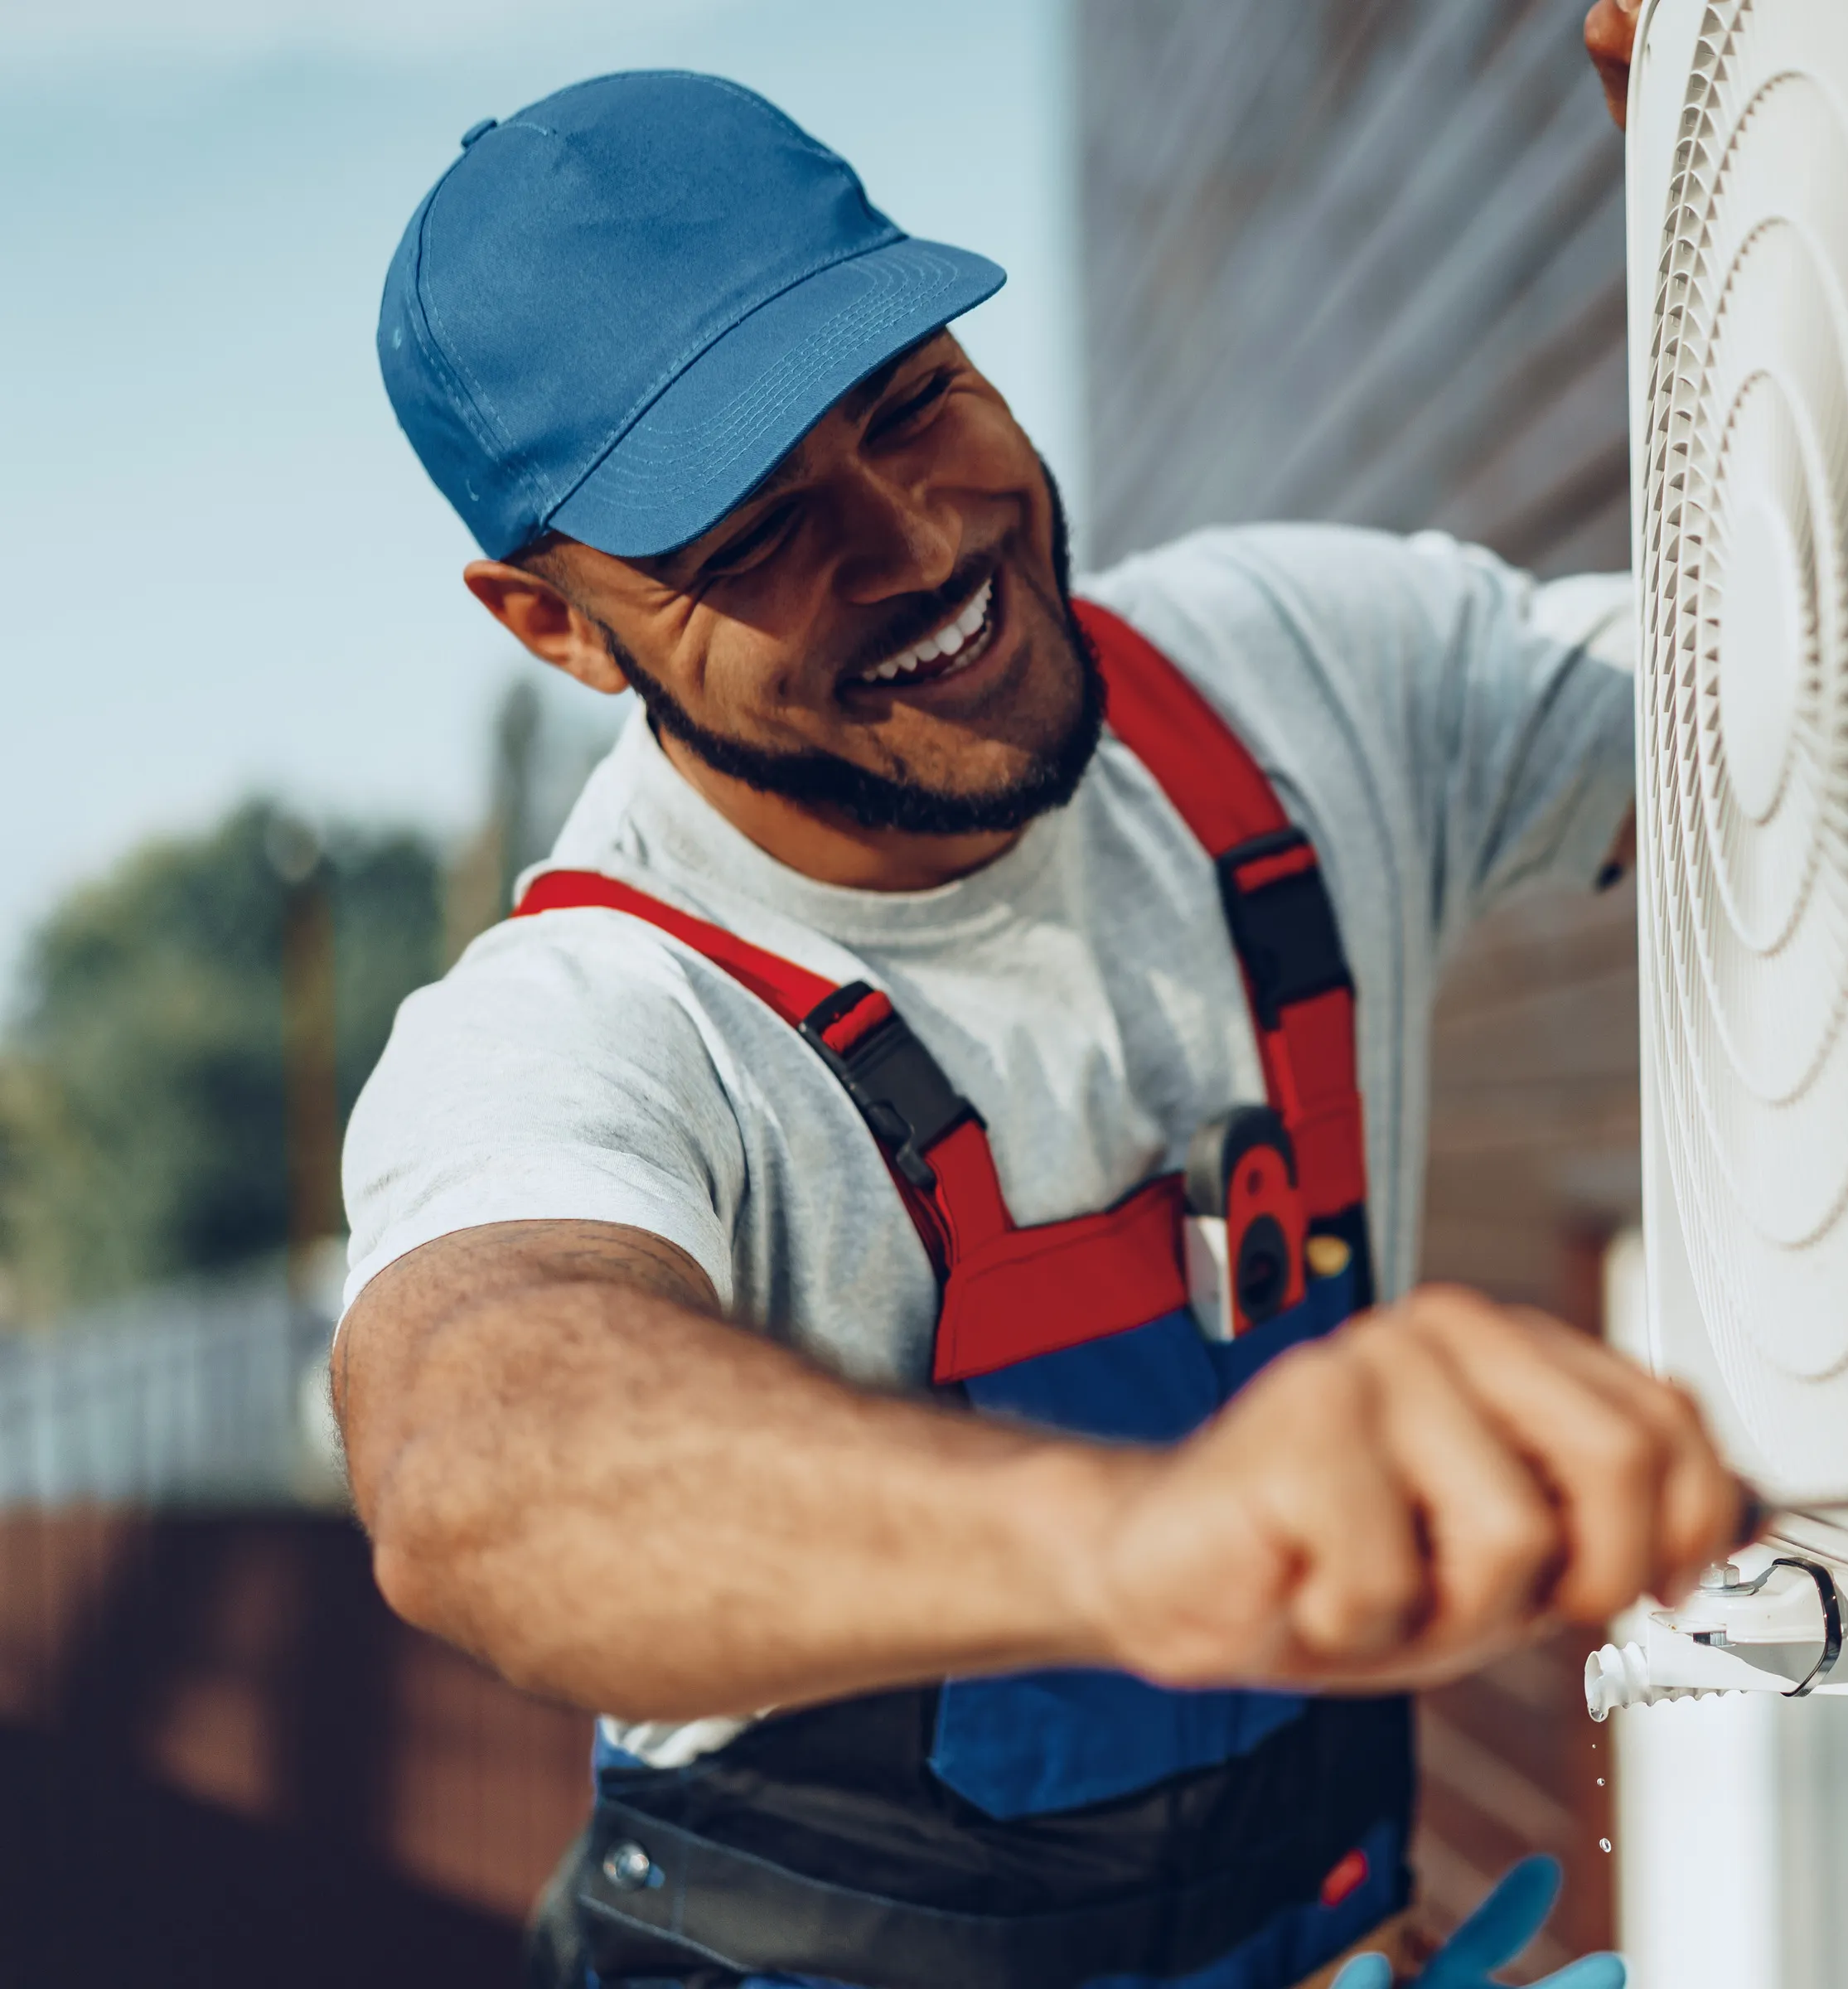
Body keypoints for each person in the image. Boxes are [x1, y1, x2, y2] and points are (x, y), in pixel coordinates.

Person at [332, 20, 1715, 1989]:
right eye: (754, 538)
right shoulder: (596, 1018)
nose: (913, 543)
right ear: (553, 622)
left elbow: (1844, 707)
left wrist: (1751, 196)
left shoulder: (1297, 681)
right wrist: (1153, 1545)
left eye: (910, 405)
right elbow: (483, 1461)